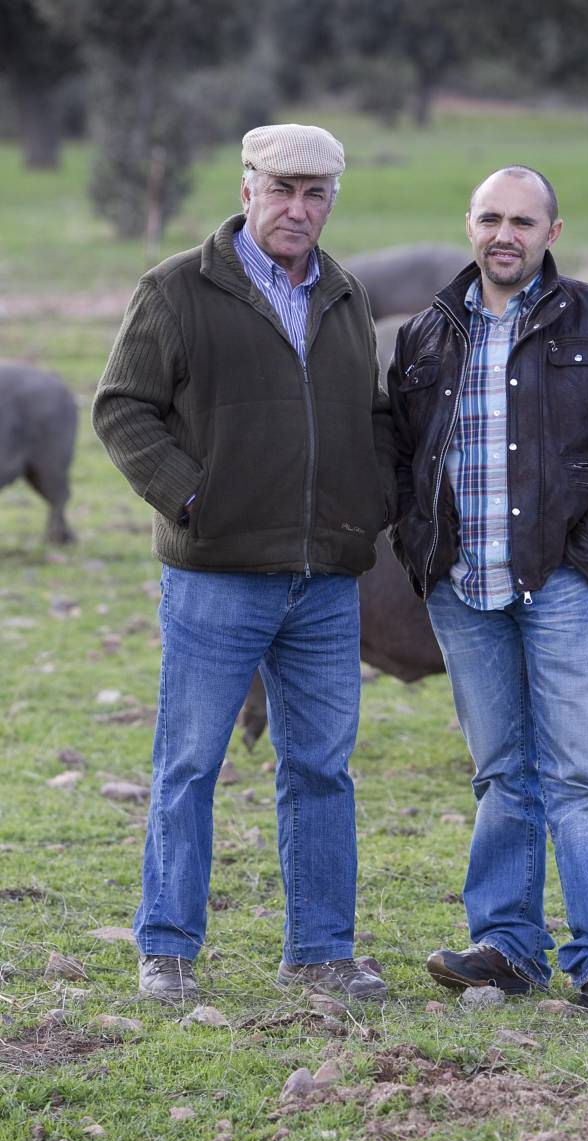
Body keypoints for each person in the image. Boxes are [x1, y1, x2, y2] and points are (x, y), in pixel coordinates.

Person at [93, 124, 395, 1004]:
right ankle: (167, 948)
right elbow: (122, 408)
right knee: (189, 762)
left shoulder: (345, 294)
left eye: (316, 195)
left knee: (321, 769)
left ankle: (320, 954)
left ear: (332, 199)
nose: (298, 210)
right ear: (247, 185)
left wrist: (364, 503)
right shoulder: (177, 288)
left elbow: (372, 418)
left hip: (324, 582)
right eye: (282, 190)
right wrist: (194, 499)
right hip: (216, 574)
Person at [388, 166, 588, 1012]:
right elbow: (400, 454)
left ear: (553, 232)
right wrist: (420, 547)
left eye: (523, 219)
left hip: (560, 585)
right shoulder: (427, 333)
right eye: (489, 218)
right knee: (501, 771)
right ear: (468, 227)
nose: (503, 233)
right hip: (462, 587)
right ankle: (509, 946)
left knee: (581, 770)